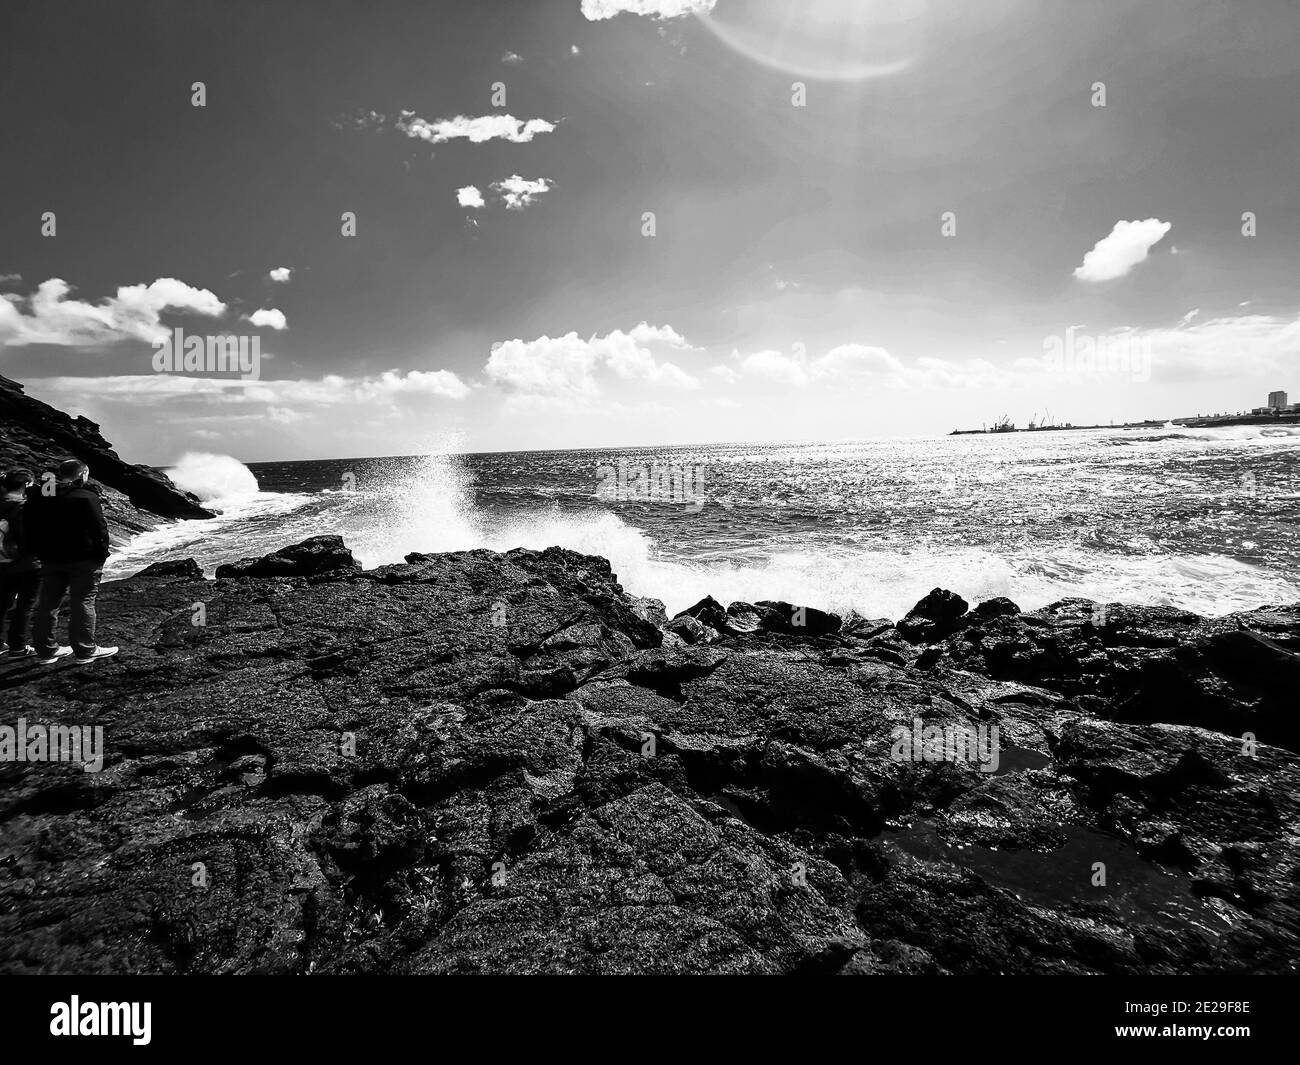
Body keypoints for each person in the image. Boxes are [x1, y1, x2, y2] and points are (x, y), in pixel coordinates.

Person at [26, 459, 119, 665]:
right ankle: (85, 650)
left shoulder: (41, 498)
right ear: (83, 474)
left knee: (48, 603)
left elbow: (30, 527)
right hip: (83, 559)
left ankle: (46, 651)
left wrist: (38, 552)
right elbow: (99, 529)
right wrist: (102, 554)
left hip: (50, 559)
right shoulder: (85, 496)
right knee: (83, 601)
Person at [0, 468, 40, 658]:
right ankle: (17, 647)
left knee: (2, 604)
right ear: (26, 485)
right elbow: (29, 538)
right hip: (26, 564)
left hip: (2, 562)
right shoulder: (23, 507)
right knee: (25, 605)